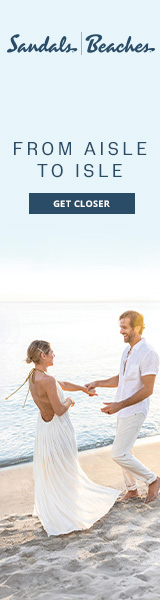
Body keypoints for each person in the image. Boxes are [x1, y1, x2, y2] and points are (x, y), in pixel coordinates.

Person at [11, 339, 119, 537]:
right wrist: (70, 400)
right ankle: (69, 511)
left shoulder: (35, 376)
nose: (54, 355)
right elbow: (60, 410)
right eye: (51, 352)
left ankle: (57, 506)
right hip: (58, 429)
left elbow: (61, 384)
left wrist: (83, 388)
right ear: (43, 355)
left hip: (45, 430)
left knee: (55, 470)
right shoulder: (47, 380)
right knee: (67, 467)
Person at [86, 310, 160, 504]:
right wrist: (98, 382)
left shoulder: (148, 353)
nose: (121, 331)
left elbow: (148, 389)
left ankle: (153, 480)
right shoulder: (127, 350)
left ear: (137, 327)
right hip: (123, 409)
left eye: (124, 327)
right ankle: (132, 490)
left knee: (118, 453)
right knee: (126, 450)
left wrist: (119, 405)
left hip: (135, 410)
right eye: (120, 327)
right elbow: (122, 377)